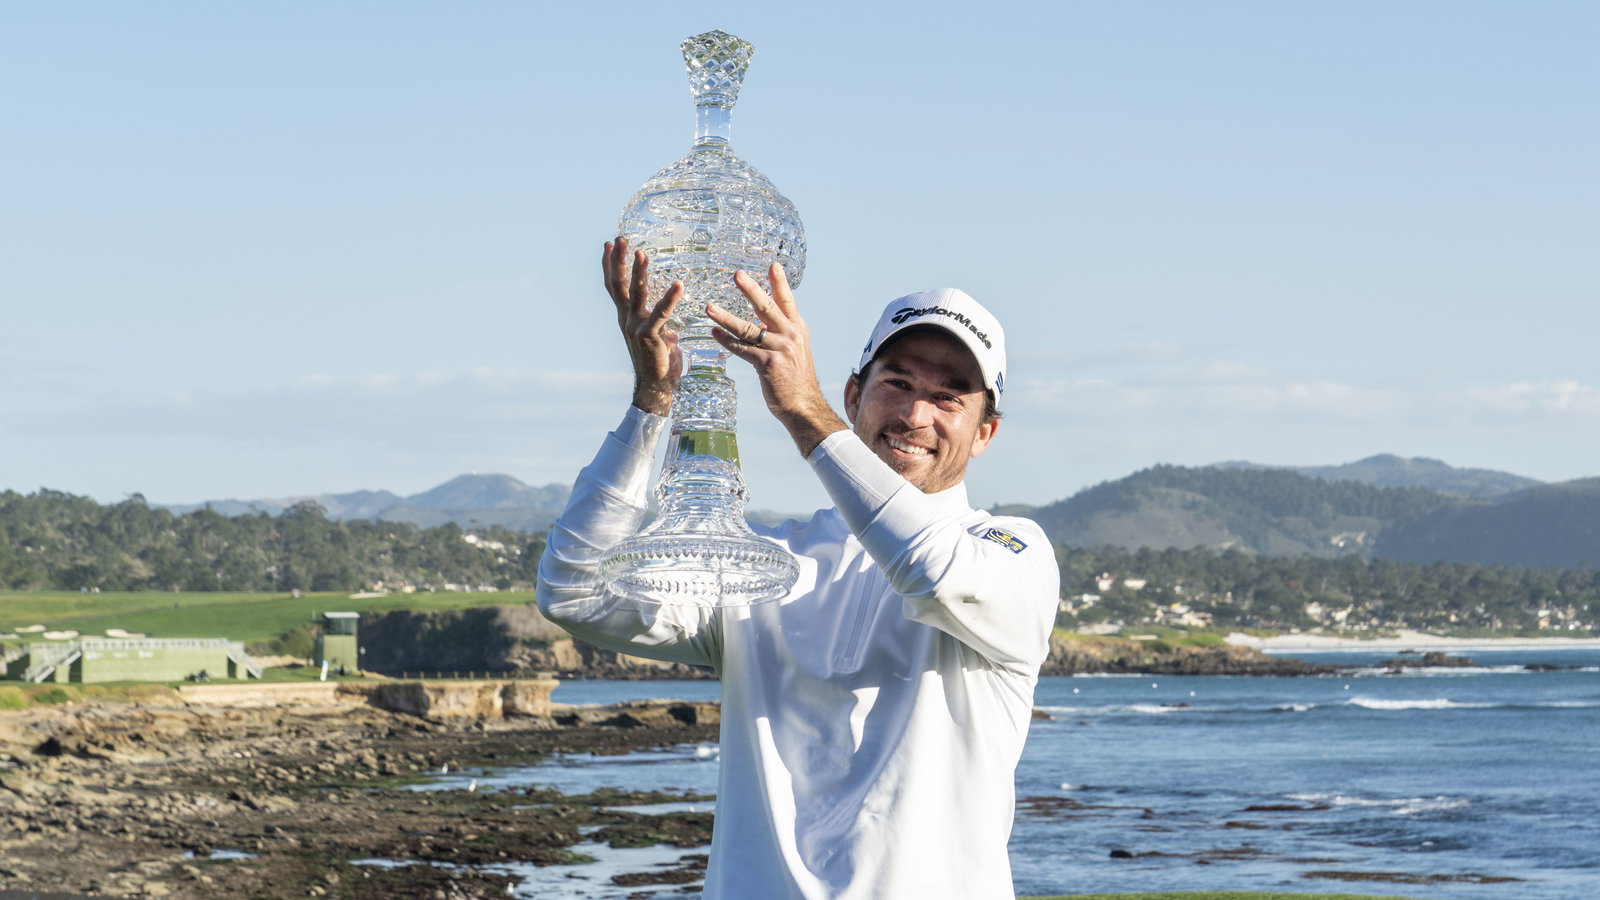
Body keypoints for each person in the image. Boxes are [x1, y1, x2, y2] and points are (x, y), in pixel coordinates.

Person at [537, 238, 1060, 899]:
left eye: (949, 397)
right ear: (854, 395)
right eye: (896, 382)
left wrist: (800, 409)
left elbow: (930, 570)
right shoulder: (768, 563)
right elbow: (575, 593)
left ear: (985, 432)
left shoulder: (1013, 553)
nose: (914, 415)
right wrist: (652, 401)